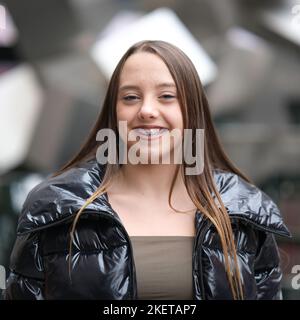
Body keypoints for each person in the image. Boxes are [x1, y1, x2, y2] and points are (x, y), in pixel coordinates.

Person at [4, 40, 291, 300]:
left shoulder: (244, 211)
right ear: (113, 114)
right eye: (130, 97)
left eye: (166, 96)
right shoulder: (55, 207)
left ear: (192, 110)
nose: (147, 110)